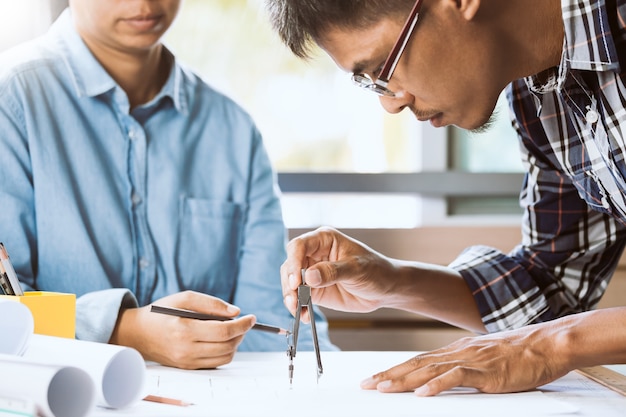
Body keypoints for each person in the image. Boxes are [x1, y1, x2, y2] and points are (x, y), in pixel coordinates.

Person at [265, 0, 626, 396]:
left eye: (382, 67)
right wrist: (392, 281)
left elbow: (551, 333)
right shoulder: (537, 97)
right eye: (368, 83)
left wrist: (550, 346)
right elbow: (552, 290)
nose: (390, 103)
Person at [0, 0, 335, 370]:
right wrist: (122, 330)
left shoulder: (232, 131)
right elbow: (6, 310)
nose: (143, 3)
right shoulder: (11, 103)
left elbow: (273, 320)